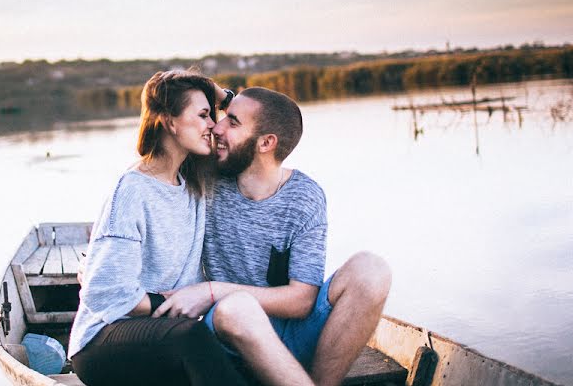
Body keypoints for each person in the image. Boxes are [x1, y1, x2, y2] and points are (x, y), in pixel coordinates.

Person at [155, 87, 392, 386]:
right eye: (223, 117)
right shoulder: (206, 176)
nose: (216, 127)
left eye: (233, 121)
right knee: (236, 309)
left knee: (371, 270)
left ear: (267, 142)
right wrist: (217, 92)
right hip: (228, 339)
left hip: (292, 336)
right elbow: (154, 159)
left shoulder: (304, 196)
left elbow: (302, 299)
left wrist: (212, 291)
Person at [67, 69, 249, 386]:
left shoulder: (195, 181)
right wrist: (174, 298)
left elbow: (258, 129)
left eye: (213, 114)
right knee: (191, 338)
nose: (212, 126)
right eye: (204, 115)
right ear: (169, 121)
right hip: (104, 340)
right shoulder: (133, 190)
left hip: (166, 333)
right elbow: (105, 292)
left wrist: (223, 97)